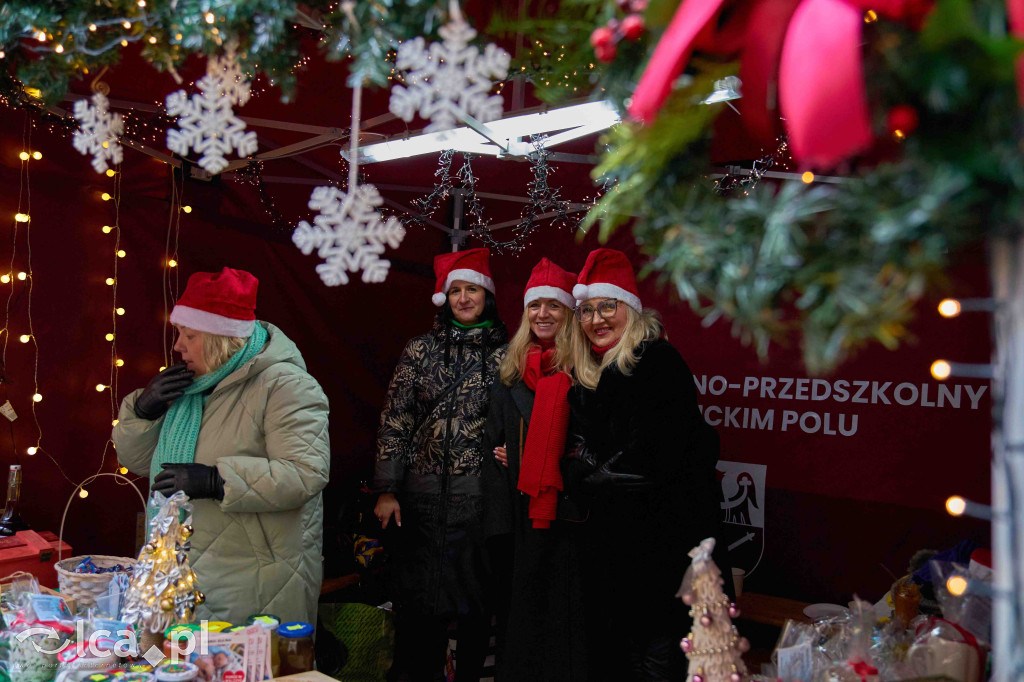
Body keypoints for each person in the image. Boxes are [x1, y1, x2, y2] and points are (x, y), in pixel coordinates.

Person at [113, 267, 330, 625]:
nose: (177, 345)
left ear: (221, 338)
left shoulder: (287, 386)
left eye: (190, 335)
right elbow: (138, 462)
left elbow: (306, 473)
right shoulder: (194, 387)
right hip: (184, 573)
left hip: (256, 579)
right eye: (179, 333)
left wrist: (217, 480)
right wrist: (143, 411)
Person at [563, 248, 722, 681]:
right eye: (587, 310)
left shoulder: (657, 361)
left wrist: (590, 476)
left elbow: (655, 456)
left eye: (607, 306)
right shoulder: (589, 375)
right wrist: (586, 471)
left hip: (660, 539)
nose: (597, 319)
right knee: (619, 644)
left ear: (630, 309)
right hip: (613, 540)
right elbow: (572, 452)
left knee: (656, 642)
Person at [374, 248, 508, 682]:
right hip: (421, 501)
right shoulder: (420, 350)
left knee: (474, 606)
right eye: (455, 291)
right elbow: (397, 418)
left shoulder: (508, 355)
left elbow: (520, 419)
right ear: (444, 298)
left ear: (487, 295)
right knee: (418, 606)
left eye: (472, 289)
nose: (464, 298)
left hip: (478, 500)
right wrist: (388, 489)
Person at [481, 257, 588, 681]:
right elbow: (494, 450)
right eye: (534, 306)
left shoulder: (586, 374)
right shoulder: (508, 376)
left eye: (553, 306)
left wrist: (533, 458)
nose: (543, 314)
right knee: (520, 623)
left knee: (566, 624)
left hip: (570, 522)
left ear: (568, 313)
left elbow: (587, 447)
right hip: (520, 523)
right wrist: (498, 526)